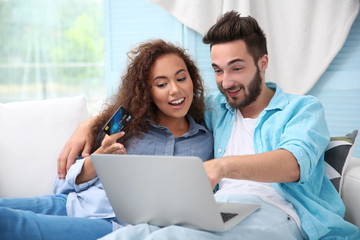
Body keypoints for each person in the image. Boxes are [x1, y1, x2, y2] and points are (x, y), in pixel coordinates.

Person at [57, 12, 360, 240]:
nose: (226, 82)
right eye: (218, 70)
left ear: (263, 63)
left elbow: (294, 163)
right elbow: (149, 103)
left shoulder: (302, 108)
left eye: (237, 68)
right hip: (218, 207)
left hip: (282, 214)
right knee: (132, 233)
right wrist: (88, 124)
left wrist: (222, 167)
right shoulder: (219, 107)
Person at [0, 39, 214, 240]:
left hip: (113, 225)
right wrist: (97, 159)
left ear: (192, 79)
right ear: (147, 91)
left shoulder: (205, 140)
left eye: (181, 78)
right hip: (72, 204)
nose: (175, 90)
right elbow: (61, 185)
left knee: (11, 224)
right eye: (161, 84)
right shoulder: (126, 125)